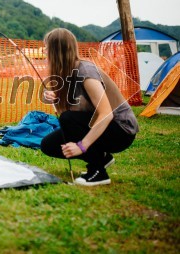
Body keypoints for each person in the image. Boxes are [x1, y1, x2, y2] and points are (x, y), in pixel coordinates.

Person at [40, 28, 139, 186]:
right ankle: (102, 157)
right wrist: (54, 97)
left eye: (46, 48)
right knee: (48, 145)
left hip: (121, 130)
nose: (44, 52)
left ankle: (98, 172)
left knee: (68, 120)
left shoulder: (85, 71)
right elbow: (65, 117)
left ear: (56, 50)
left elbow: (106, 114)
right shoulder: (65, 74)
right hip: (102, 127)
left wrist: (82, 146)